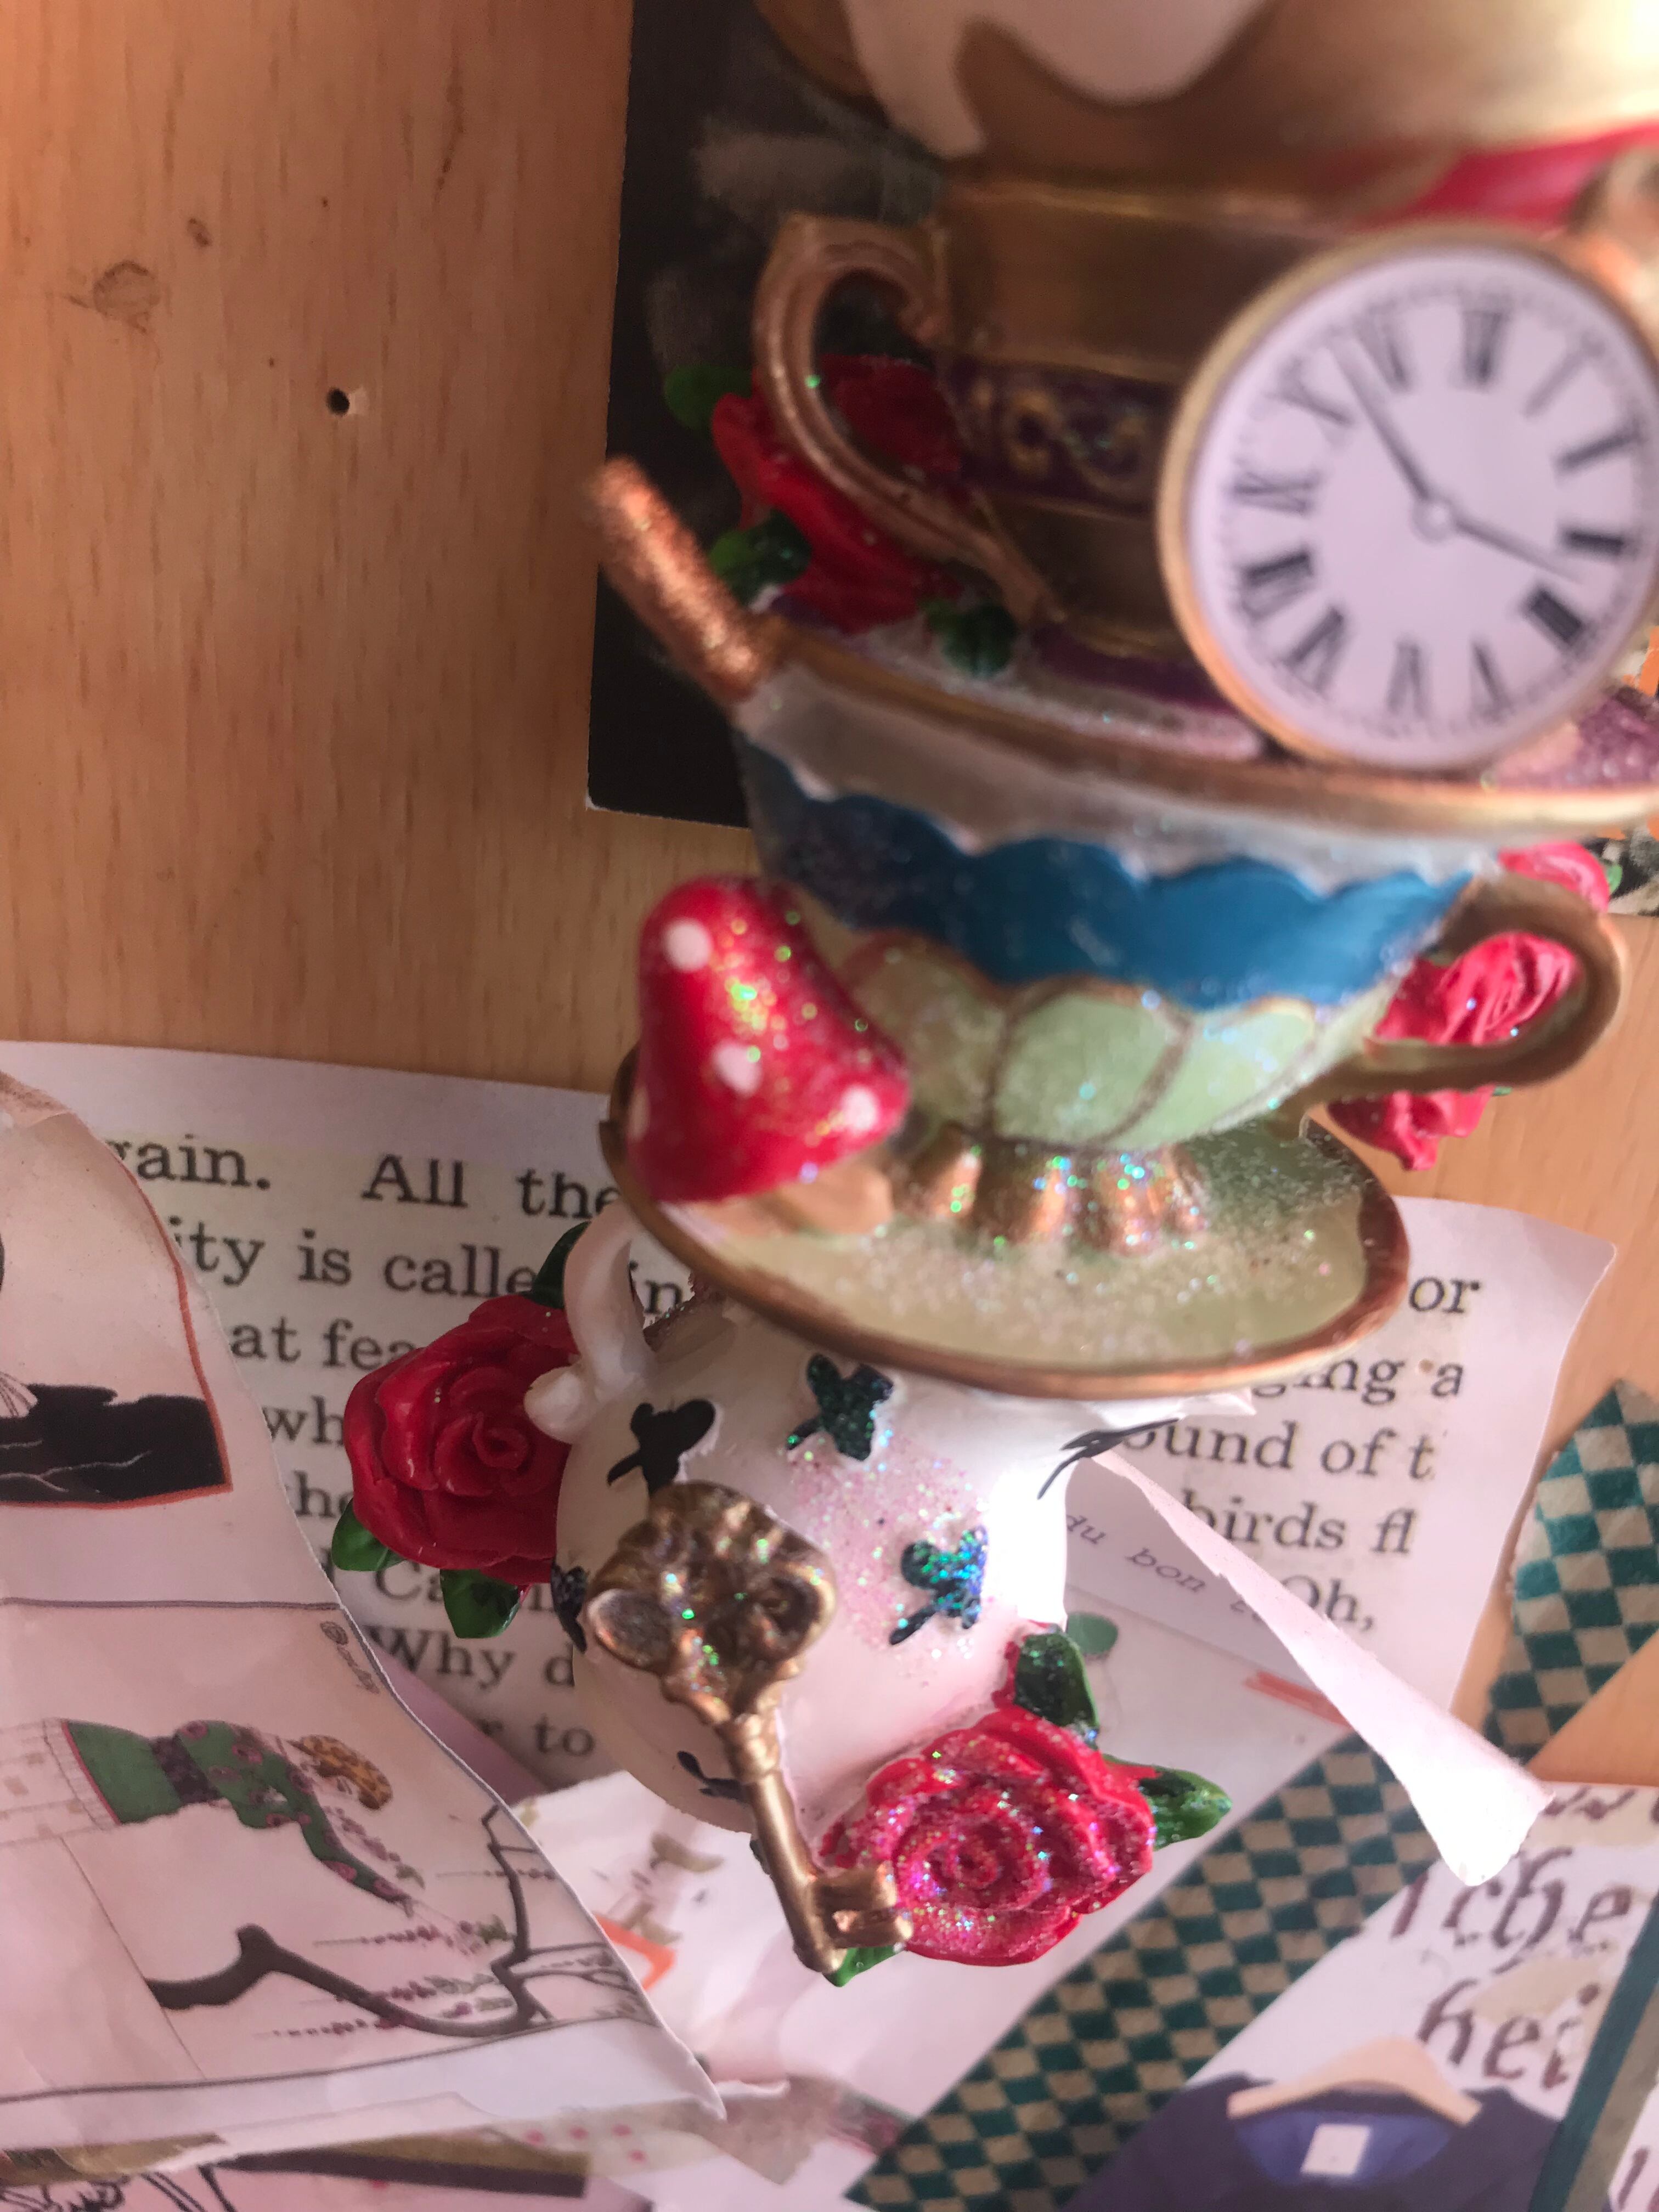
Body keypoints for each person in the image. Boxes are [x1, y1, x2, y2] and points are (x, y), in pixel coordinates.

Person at [0, 1719, 410, 1910]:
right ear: (329, 1768)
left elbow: (257, 1813)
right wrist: (289, 1811)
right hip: (123, 1784)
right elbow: (325, 1847)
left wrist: (284, 1811)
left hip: (108, 1757)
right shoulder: (286, 1775)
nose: (336, 1795)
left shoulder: (256, 1744)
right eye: (344, 1789)